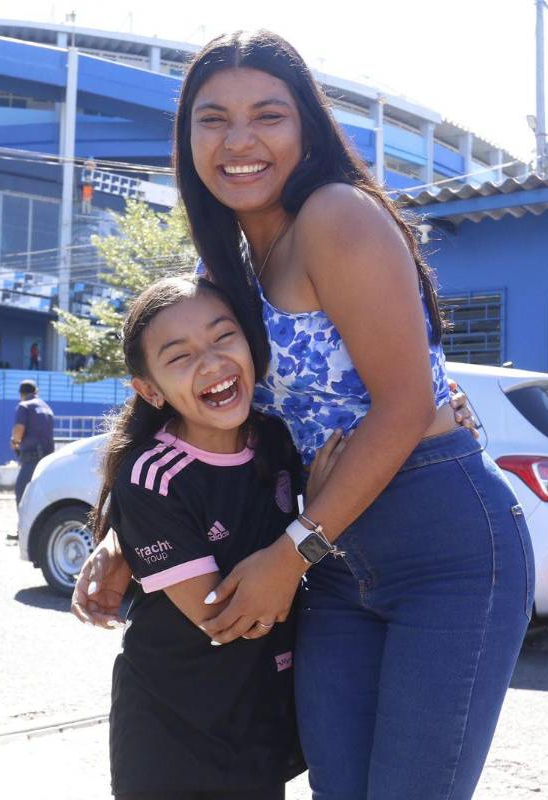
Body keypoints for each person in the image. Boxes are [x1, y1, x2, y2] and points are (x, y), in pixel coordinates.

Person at [74, 30, 532, 800]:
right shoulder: (223, 269)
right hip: (334, 560)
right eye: (213, 119)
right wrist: (128, 532)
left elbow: (407, 405)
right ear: (188, 138)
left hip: (440, 548)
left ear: (307, 128)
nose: (240, 141)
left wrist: (291, 554)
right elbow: (203, 419)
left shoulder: (336, 216)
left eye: (268, 116)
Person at [97, 275, 334, 800]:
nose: (210, 363)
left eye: (223, 336)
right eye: (179, 356)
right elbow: (228, 621)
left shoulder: (273, 437)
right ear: (150, 389)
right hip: (171, 739)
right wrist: (316, 525)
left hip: (256, 725)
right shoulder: (152, 476)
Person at [11, 379, 55, 505]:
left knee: (22, 491)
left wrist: (14, 441)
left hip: (32, 458)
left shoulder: (24, 405)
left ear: (21, 394)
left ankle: (24, 522)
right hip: (48, 458)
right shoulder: (46, 407)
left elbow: (19, 429)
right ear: (36, 392)